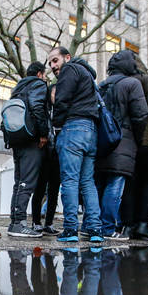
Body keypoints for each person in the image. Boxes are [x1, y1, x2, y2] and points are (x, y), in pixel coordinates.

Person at [47, 46, 103, 243]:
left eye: (55, 60)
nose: (53, 66)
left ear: (67, 57)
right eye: (50, 63)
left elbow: (61, 101)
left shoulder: (70, 70)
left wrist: (56, 127)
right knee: (88, 183)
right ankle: (95, 230)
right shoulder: (88, 75)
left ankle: (71, 229)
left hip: (72, 129)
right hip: (91, 130)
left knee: (69, 180)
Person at [95, 50, 148, 238]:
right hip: (124, 141)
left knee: (99, 184)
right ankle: (108, 228)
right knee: (115, 185)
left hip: (101, 141)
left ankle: (94, 226)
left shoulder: (101, 85)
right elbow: (141, 115)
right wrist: (139, 138)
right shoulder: (132, 83)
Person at [119, 55, 148, 240]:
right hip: (146, 140)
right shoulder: (145, 79)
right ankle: (143, 224)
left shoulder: (121, 82)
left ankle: (128, 225)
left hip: (126, 141)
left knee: (129, 184)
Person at [7, 62, 49, 238]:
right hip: (31, 139)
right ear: (40, 74)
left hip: (17, 139)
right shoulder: (38, 85)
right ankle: (20, 223)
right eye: (45, 75)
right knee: (28, 182)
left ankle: (14, 221)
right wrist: (43, 134)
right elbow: (37, 107)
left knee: (19, 182)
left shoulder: (18, 88)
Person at [31, 84, 60, 236]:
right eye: (55, 92)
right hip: (43, 154)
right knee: (39, 189)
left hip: (57, 156)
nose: (57, 95)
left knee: (54, 192)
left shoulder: (61, 110)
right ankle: (36, 222)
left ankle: (48, 223)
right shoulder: (44, 109)